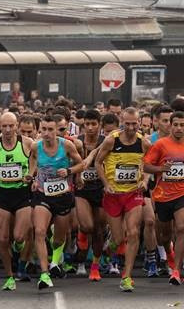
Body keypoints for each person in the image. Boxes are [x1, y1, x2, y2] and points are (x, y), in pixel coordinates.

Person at [144, 111, 184, 286]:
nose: (178, 128)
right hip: (163, 195)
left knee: (182, 228)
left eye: (182, 125)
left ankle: (176, 271)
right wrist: (161, 169)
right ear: (170, 125)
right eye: (175, 125)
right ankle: (169, 255)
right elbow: (146, 166)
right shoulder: (161, 144)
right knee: (164, 236)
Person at [27, 114, 85, 289]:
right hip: (42, 194)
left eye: (50, 129)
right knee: (39, 231)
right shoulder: (36, 146)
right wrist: (32, 176)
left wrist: (69, 171)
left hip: (62, 196)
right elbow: (33, 161)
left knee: (59, 238)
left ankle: (54, 262)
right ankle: (44, 274)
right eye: (43, 129)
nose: (46, 133)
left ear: (57, 130)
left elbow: (81, 164)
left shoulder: (66, 145)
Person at [95, 107, 150, 292]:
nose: (131, 127)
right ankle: (110, 244)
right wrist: (105, 183)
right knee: (119, 239)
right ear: (122, 122)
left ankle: (126, 276)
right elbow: (97, 162)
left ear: (139, 123)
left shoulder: (144, 143)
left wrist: (145, 180)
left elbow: (150, 165)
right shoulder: (112, 140)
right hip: (113, 195)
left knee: (133, 232)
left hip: (133, 193)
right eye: (127, 123)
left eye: (134, 124)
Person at [0, 112, 34, 291]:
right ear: (0, 126)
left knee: (20, 236)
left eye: (10, 126)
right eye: (4, 126)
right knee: (3, 239)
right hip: (3, 195)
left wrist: (31, 175)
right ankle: (10, 276)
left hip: (22, 194)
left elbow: (35, 161)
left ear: (16, 126)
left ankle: (19, 247)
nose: (7, 130)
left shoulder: (27, 143)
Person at [75, 109, 107, 280]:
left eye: (94, 124)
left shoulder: (105, 141)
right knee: (87, 226)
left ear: (100, 126)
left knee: (99, 230)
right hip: (82, 190)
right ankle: (81, 233)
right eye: (87, 124)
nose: (90, 128)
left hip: (101, 189)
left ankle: (95, 266)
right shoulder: (77, 142)